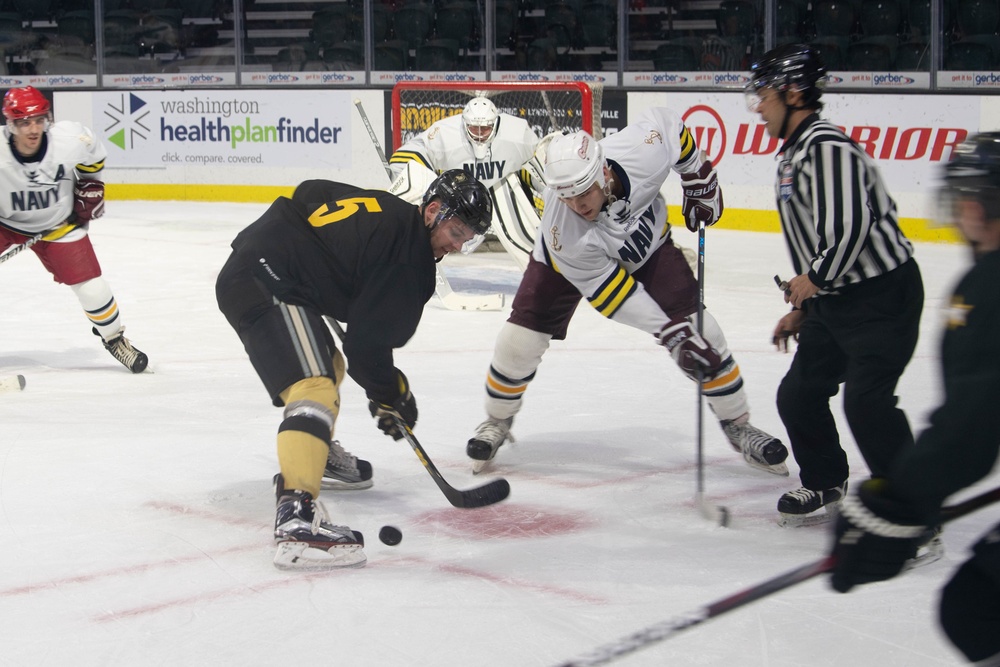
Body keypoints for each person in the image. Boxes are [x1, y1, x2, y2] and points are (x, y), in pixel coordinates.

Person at [465, 107, 789, 478]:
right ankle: (498, 420)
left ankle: (738, 424)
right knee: (518, 342)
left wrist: (697, 174)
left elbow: (669, 125)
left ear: (603, 171)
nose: (577, 205)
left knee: (705, 333)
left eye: (584, 192)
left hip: (647, 247)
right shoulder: (563, 232)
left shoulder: (640, 151)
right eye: (566, 196)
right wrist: (670, 334)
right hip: (566, 265)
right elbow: (615, 295)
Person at [215, 170, 492, 571]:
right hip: (269, 281)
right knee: (315, 384)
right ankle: (296, 520)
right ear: (432, 210)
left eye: (467, 239)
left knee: (329, 365)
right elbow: (366, 347)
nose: (456, 245)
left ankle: (314, 451)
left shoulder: (387, 208)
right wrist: (393, 395)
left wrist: (326, 265)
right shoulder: (410, 263)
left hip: (259, 265)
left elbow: (310, 191)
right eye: (455, 231)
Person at [828, 132, 1000, 665]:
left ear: (972, 206)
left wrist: (895, 501)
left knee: (977, 607)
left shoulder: (990, 286)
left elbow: (971, 428)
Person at [744, 44, 924, 527]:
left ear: (794, 92)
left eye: (763, 94)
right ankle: (825, 480)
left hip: (882, 296)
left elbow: (851, 227)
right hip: (839, 297)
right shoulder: (795, 153)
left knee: (867, 403)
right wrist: (808, 305)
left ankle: (913, 511)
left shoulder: (824, 146)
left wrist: (814, 280)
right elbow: (822, 241)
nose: (757, 106)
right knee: (799, 394)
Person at [0, 86, 147, 373]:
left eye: (39, 120)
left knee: (93, 290)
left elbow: (93, 154)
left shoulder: (68, 140)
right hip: (5, 224)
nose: (33, 129)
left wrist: (91, 185)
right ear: (11, 124)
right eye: (24, 122)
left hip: (58, 226)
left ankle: (114, 339)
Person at [388, 95, 544, 269]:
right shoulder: (443, 134)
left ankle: (542, 270)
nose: (479, 133)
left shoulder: (517, 134)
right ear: (464, 123)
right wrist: (422, 187)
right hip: (460, 198)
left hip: (502, 189)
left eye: (484, 128)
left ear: (495, 124)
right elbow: (405, 157)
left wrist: (547, 191)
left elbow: (538, 163)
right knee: (438, 229)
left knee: (527, 239)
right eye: (474, 128)